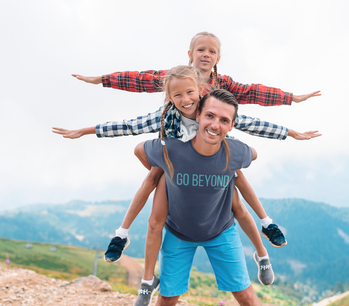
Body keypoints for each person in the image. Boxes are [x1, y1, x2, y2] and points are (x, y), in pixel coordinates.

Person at [53, 64, 320, 287]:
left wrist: (290, 132)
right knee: (151, 192)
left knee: (236, 187)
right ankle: (122, 235)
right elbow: (128, 125)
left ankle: (265, 232)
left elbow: (249, 122)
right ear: (169, 96)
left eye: (190, 92)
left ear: (200, 90)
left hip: (214, 162)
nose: (186, 99)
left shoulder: (209, 107)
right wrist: (86, 130)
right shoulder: (166, 116)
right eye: (177, 95)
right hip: (176, 163)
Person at [140, 89, 268, 306]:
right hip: (178, 233)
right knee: (167, 299)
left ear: (231, 126)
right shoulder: (173, 149)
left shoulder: (236, 152)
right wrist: (165, 173)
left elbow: (253, 154)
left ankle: (262, 256)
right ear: (198, 115)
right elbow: (139, 150)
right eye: (210, 115)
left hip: (221, 231)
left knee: (246, 296)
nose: (215, 125)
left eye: (224, 120)